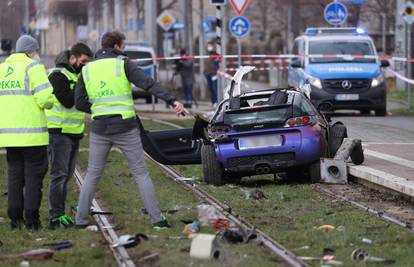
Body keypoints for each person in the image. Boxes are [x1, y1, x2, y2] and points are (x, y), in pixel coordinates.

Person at [74, 31, 185, 229]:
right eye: (123, 46)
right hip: (125, 127)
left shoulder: (87, 69)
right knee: (141, 173)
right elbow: (147, 83)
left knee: (92, 174)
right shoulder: (123, 63)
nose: (123, 50)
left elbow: (79, 101)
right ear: (117, 46)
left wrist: (98, 110)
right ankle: (157, 219)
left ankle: (80, 221)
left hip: (100, 127)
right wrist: (171, 100)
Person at [0, 35, 54, 230]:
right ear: (31, 51)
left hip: (9, 136)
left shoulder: (2, 69)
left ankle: (15, 219)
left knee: (14, 176)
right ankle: (32, 220)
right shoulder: (33, 68)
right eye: (36, 51)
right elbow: (45, 99)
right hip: (32, 135)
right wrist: (51, 98)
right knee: (33, 177)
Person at [45, 43, 92, 229]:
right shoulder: (57, 75)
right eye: (83, 62)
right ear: (73, 58)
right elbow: (67, 101)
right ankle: (55, 216)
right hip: (59, 133)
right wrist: (82, 84)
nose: (85, 65)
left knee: (67, 175)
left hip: (74, 132)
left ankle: (61, 213)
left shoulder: (75, 74)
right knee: (58, 175)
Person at [204, 42, 219, 106]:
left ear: (213, 47)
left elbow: (218, 64)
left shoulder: (215, 54)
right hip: (207, 73)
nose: (209, 47)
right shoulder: (206, 54)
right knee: (210, 88)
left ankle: (216, 101)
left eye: (210, 46)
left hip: (213, 73)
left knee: (214, 88)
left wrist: (216, 70)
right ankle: (213, 102)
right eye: (208, 46)